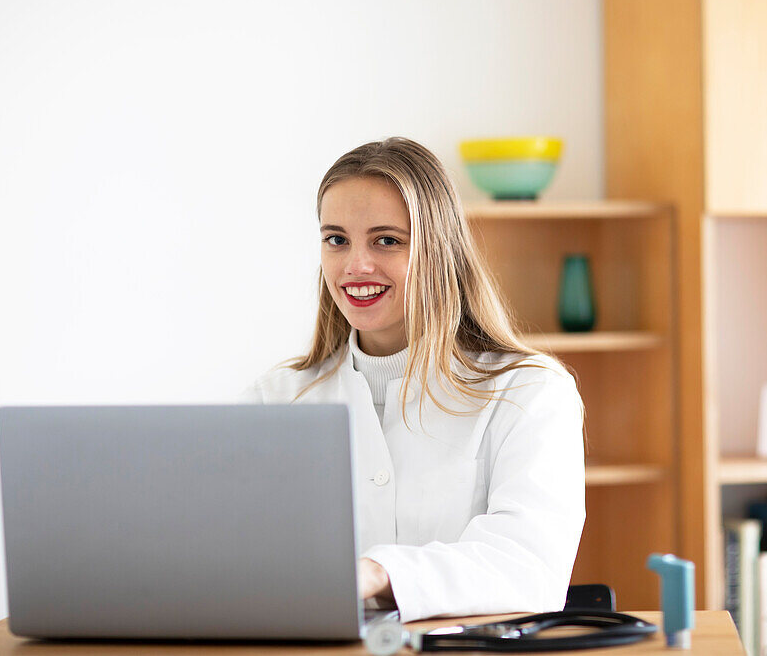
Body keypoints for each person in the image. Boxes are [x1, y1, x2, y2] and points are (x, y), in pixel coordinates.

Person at [246, 137, 585, 623]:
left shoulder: (529, 392)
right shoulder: (274, 398)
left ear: (438, 249)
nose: (355, 266)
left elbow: (527, 565)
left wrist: (377, 574)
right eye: (336, 239)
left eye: (386, 240)